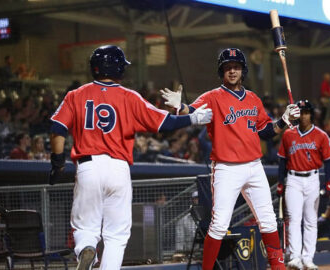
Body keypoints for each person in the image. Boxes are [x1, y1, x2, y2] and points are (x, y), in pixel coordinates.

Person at [48, 45, 212, 270]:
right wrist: (193, 117)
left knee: (85, 227)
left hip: (88, 166)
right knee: (116, 235)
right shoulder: (129, 96)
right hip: (118, 168)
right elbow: (165, 122)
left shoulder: (76, 95)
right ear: (117, 69)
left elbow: (57, 128)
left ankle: (87, 248)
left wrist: (57, 162)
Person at [160, 48, 300, 270]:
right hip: (226, 169)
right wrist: (179, 107)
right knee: (218, 226)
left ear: (243, 70)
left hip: (254, 166)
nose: (232, 71)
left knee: (268, 221)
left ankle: (278, 268)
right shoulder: (213, 96)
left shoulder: (253, 98)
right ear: (221, 71)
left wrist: (283, 120)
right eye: (227, 67)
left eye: (235, 67)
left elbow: (264, 131)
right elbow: (192, 110)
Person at [277, 100, 330, 270]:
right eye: (301, 112)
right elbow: (282, 161)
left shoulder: (321, 135)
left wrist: (328, 183)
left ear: (312, 114)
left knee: (310, 221)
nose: (303, 116)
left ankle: (308, 259)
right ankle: (295, 258)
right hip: (293, 178)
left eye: (306, 112)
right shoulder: (288, 134)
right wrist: (281, 182)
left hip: (312, 179)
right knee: (294, 220)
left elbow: (329, 161)